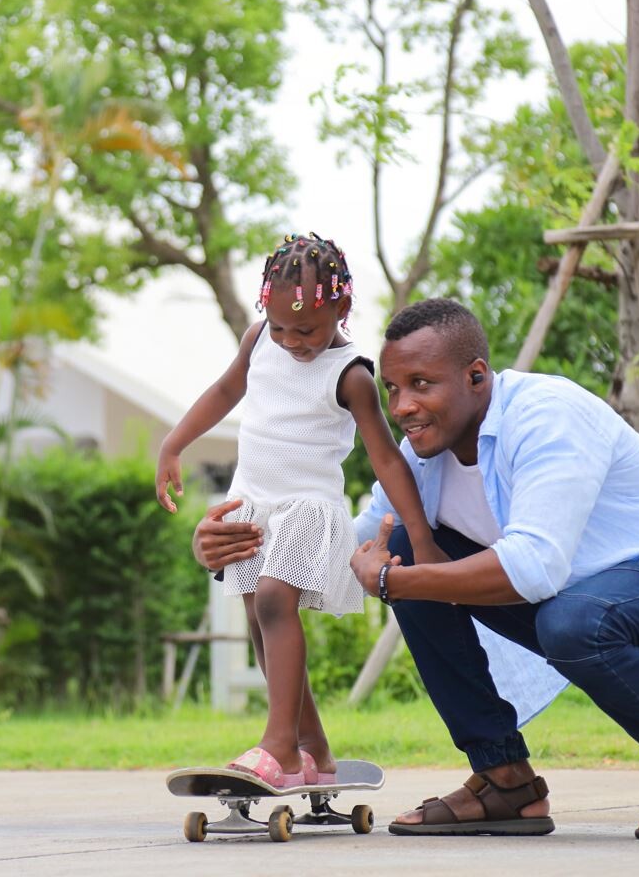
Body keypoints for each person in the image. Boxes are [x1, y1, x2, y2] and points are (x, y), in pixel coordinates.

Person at [193, 297, 639, 839]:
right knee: (407, 547)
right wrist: (240, 552)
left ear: (477, 376)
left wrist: (394, 579)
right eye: (393, 389)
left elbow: (535, 568)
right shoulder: (420, 459)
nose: (402, 408)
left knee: (551, 615)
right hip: (584, 611)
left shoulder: (548, 415)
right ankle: (505, 780)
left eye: (421, 385)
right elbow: (347, 558)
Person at [156, 233, 438, 790]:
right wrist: (173, 444)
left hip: (309, 508)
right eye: (280, 326)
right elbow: (224, 390)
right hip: (254, 501)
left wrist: (420, 536)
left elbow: (385, 457)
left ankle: (279, 747)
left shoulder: (351, 374)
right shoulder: (259, 339)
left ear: (342, 308)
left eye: (305, 329)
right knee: (261, 625)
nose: (291, 341)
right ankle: (315, 750)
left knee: (273, 602)